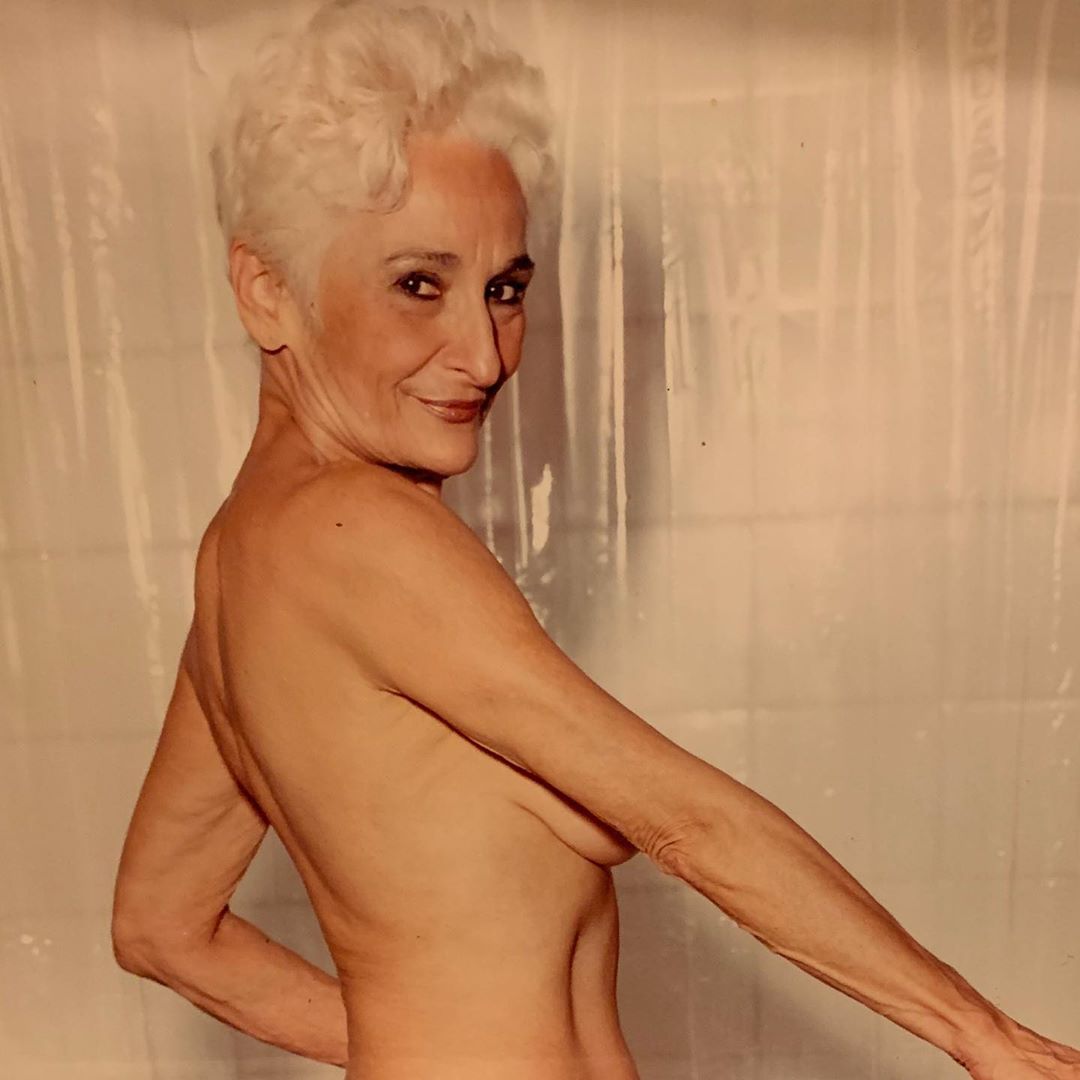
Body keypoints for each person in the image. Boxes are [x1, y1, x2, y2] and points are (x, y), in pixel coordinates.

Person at [110, 2, 1080, 1078]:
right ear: (268, 292)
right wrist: (990, 1042)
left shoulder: (241, 561)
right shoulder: (358, 535)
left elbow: (160, 925)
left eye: (505, 290)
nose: (484, 355)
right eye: (418, 285)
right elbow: (688, 823)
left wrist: (422, 1046)